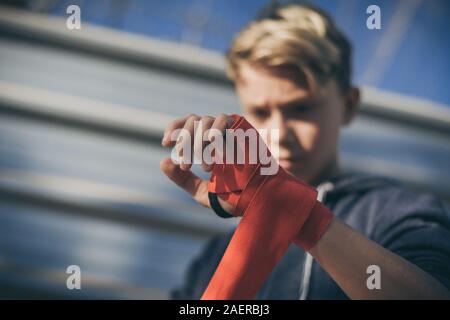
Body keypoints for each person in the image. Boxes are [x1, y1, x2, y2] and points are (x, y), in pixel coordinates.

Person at [160, 2, 450, 299]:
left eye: (300, 109)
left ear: (348, 105)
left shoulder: (396, 211)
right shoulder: (216, 255)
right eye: (260, 112)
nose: (281, 134)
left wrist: (297, 212)